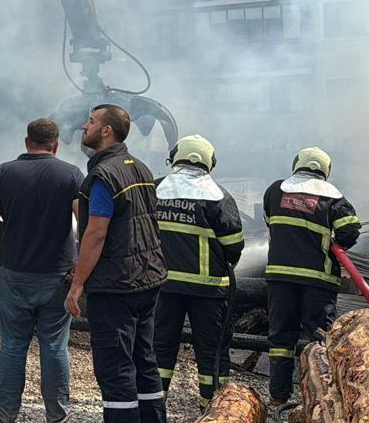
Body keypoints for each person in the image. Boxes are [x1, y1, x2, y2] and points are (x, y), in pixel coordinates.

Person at [65, 104, 167, 423]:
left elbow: (95, 234)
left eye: (92, 121)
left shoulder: (102, 176)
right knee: (144, 360)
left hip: (116, 286)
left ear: (106, 130)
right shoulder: (140, 168)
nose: (84, 126)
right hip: (148, 279)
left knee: (116, 368)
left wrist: (77, 284)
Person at [0, 118, 83, 423]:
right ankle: (57, 415)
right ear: (55, 145)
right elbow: (87, 223)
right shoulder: (71, 175)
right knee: (54, 346)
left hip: (15, 274)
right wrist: (81, 268)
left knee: (12, 345)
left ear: (27, 142)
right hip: (59, 276)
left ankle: (6, 414)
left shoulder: (4, 172)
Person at [263, 147, 359, 413]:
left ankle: (278, 399)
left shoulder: (276, 191)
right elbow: (349, 233)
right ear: (325, 170)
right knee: (319, 340)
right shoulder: (334, 200)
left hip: (280, 278)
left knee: (281, 340)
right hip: (318, 282)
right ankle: (320, 402)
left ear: (297, 165)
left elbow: (269, 220)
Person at [151, 135, 244, 409]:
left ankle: (154, 404)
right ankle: (212, 407)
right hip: (209, 290)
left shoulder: (155, 190)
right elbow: (234, 247)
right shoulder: (218, 197)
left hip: (163, 286)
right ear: (209, 163)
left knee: (160, 347)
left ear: (174, 158)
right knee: (212, 352)